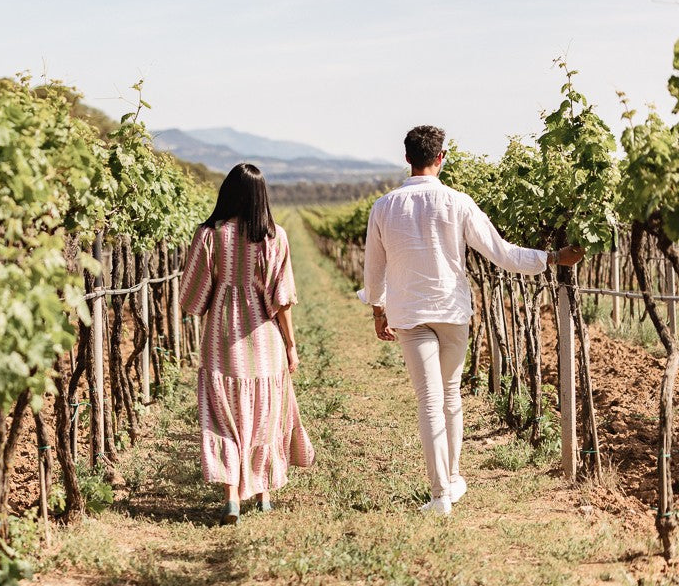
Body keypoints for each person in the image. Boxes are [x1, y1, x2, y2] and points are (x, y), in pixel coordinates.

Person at [360, 126, 584, 515]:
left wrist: (379, 310)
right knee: (450, 397)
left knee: (429, 401)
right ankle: (451, 480)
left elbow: (373, 271)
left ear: (407, 158)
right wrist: (551, 257)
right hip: (451, 311)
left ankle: (440, 493)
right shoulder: (458, 202)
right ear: (441, 157)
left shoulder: (383, 207)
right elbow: (502, 253)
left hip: (409, 314)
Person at [179, 163, 315, 525]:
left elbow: (192, 298)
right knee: (264, 416)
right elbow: (282, 300)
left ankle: (231, 500)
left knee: (223, 417)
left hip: (220, 339)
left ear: (227, 193)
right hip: (263, 341)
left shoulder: (209, 235)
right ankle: (263, 494)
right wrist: (291, 345)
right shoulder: (275, 237)